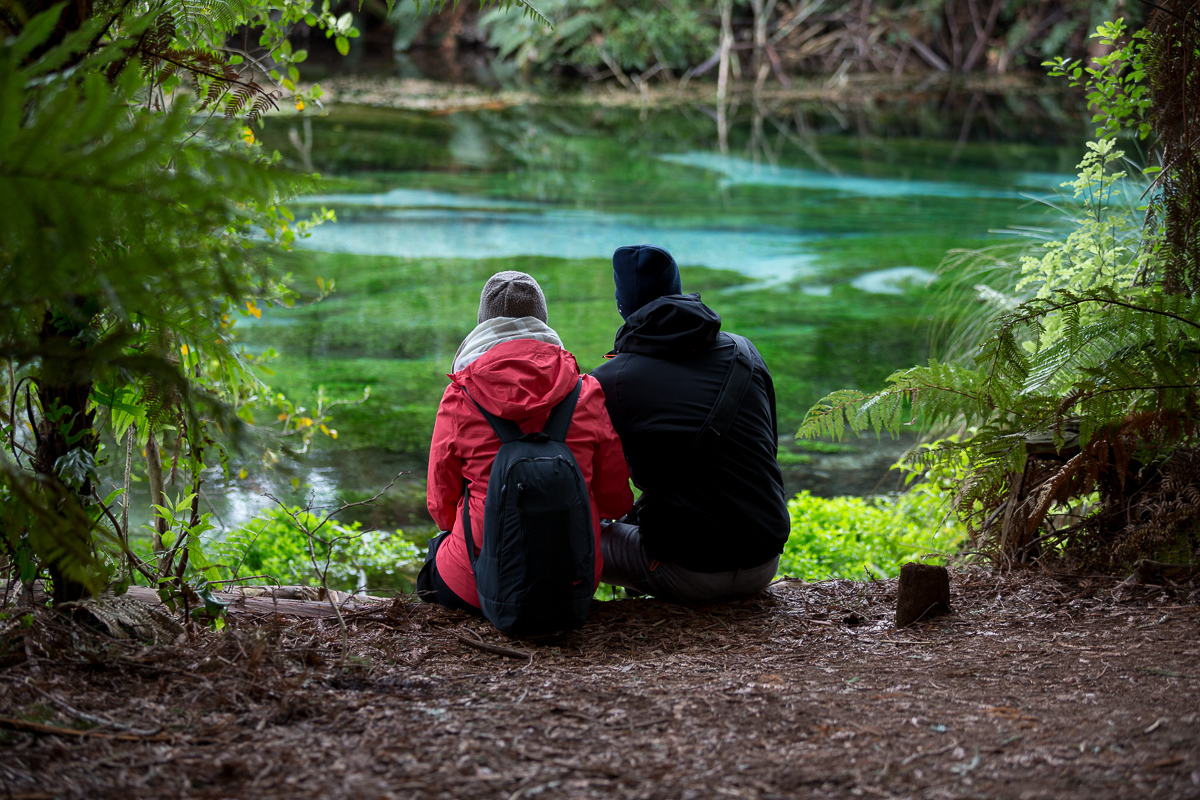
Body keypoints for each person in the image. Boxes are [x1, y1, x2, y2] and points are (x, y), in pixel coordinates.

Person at [419, 270, 634, 612]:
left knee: (437, 552)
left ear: (482, 325)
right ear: (542, 321)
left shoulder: (460, 395)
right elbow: (615, 501)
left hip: (477, 584)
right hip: (572, 583)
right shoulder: (584, 391)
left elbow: (440, 504)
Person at [590, 244, 789, 604]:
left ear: (622, 304)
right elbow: (768, 447)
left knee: (567, 531)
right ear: (677, 290)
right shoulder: (744, 353)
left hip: (686, 570)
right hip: (764, 560)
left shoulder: (610, 380)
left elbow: (599, 485)